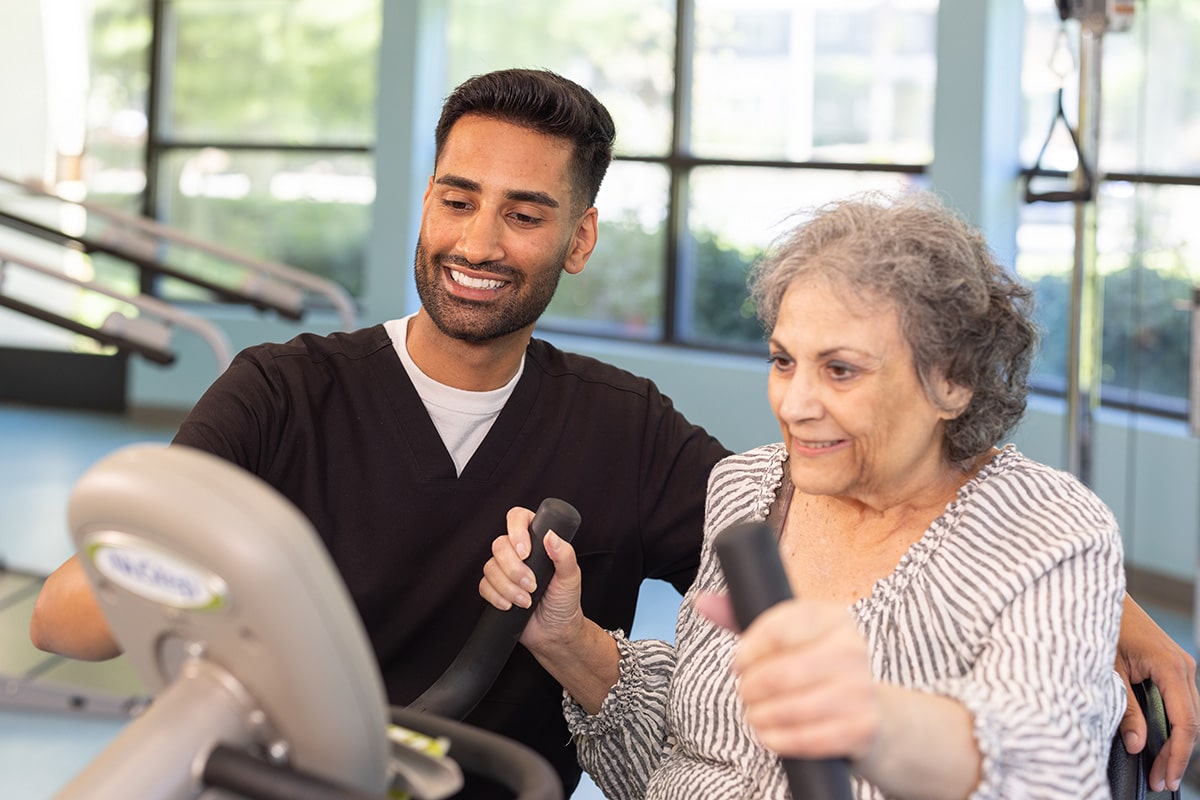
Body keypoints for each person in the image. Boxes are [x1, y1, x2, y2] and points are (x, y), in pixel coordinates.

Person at [28, 69, 1197, 796]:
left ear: (578, 239)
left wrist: (1115, 608)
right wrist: (251, 571)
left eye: (525, 212)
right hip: (265, 771)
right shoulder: (285, 393)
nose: (479, 240)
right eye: (456, 198)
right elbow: (67, 617)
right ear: (425, 202)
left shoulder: (627, 433)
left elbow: (863, 499)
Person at [478, 191, 1188, 798]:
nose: (796, 404)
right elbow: (693, 755)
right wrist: (566, 639)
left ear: (953, 381)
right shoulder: (748, 491)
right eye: (784, 361)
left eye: (841, 370)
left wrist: (868, 719)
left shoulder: (1049, 531)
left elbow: (1044, 765)